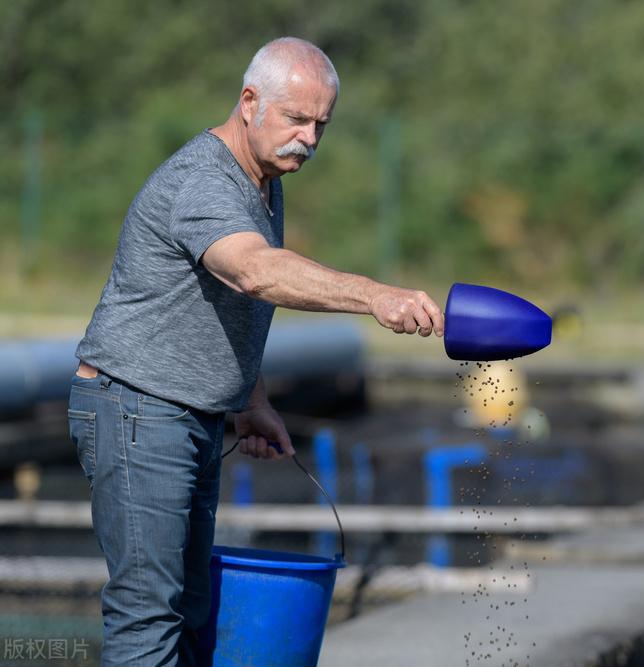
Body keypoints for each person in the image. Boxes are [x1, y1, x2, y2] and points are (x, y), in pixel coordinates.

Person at [68, 37, 444, 665]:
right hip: (137, 411)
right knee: (147, 615)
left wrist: (252, 399)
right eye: (296, 119)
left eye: (321, 124)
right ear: (249, 102)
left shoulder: (263, 179)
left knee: (188, 608)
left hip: (190, 413)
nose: (310, 139)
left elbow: (227, 306)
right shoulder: (203, 180)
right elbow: (254, 274)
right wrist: (374, 296)